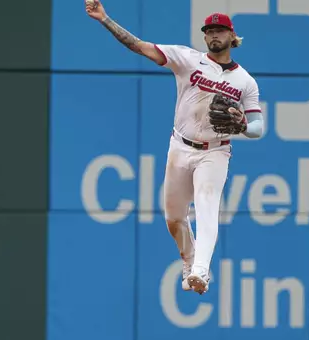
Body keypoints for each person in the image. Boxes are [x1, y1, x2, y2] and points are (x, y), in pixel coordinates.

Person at [86, 1, 264, 295]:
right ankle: (190, 260)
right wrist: (105, 19)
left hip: (215, 150)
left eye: (220, 30)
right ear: (205, 36)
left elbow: (257, 128)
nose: (214, 35)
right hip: (180, 146)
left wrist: (243, 126)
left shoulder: (245, 81)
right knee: (174, 217)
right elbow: (140, 46)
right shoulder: (188, 59)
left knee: (207, 206)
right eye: (209, 31)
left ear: (233, 37)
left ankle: (200, 272)